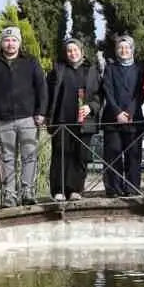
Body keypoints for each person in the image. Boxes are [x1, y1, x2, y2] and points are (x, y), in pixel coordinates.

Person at [0, 27, 47, 207]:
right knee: (8, 158)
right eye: (7, 40)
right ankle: (10, 195)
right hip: (3, 119)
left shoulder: (30, 62)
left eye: (14, 40)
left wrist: (41, 112)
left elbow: (41, 87)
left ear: (19, 42)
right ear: (1, 43)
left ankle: (28, 192)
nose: (10, 43)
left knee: (29, 156)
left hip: (28, 118)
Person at [47, 40, 103, 200]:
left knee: (80, 156)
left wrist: (91, 107)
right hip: (61, 120)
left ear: (82, 51)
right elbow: (48, 93)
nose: (73, 53)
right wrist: (45, 114)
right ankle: (59, 190)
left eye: (75, 50)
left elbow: (100, 95)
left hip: (84, 122)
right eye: (69, 51)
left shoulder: (91, 71)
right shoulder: (58, 70)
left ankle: (76, 190)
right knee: (60, 155)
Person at [99, 36, 144, 196]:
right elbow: (107, 90)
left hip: (134, 119)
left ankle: (132, 188)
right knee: (112, 154)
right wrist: (118, 112)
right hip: (113, 119)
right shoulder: (110, 68)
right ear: (116, 50)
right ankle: (114, 189)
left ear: (132, 49)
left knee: (133, 155)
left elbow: (141, 92)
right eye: (121, 47)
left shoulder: (141, 68)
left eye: (127, 47)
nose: (124, 50)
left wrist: (130, 112)